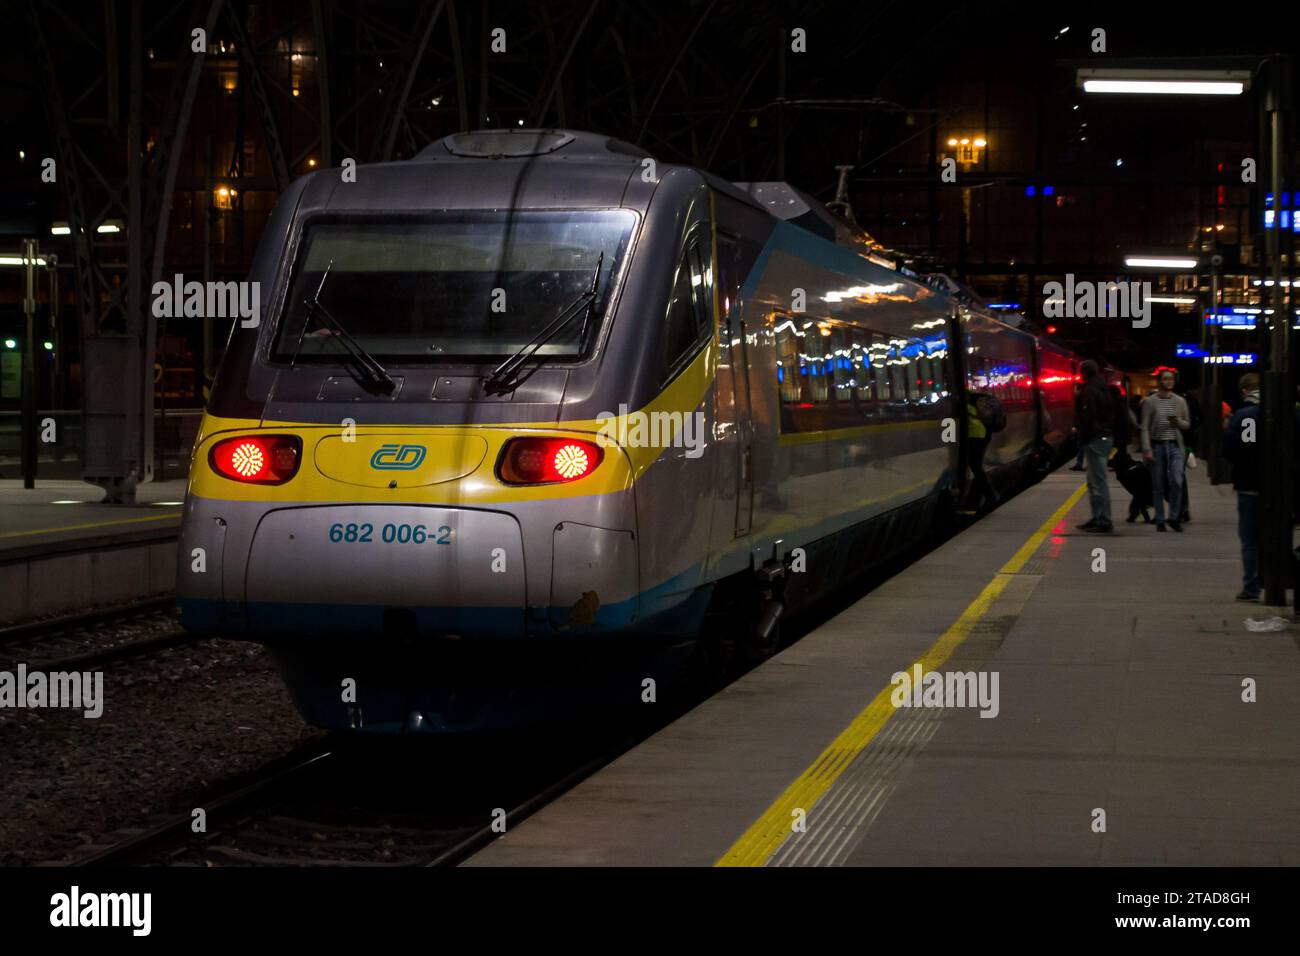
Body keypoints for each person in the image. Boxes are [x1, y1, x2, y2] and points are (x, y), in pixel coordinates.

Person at [1222, 373, 1261, 601]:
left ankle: (1251, 587)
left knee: (1249, 538)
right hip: (1279, 487)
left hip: (1249, 483)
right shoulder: (1281, 409)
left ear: (1244, 391)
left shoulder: (1247, 416)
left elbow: (1239, 449)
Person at [1139, 368, 1191, 532]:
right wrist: (1146, 448)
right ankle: (1160, 519)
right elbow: (1144, 427)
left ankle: (1174, 516)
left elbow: (1187, 424)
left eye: (1172, 379)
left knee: (1177, 480)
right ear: (1160, 381)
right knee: (1158, 484)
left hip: (1175, 445)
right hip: (1157, 445)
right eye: (1166, 379)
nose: (1169, 382)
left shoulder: (1180, 401)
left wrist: (1177, 422)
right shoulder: (1150, 402)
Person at [1075, 360, 1116, 533]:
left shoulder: (1090, 390)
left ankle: (1104, 519)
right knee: (1094, 481)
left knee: (1098, 482)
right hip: (1105, 437)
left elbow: (1088, 416)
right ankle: (1098, 517)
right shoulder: (1104, 388)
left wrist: (1085, 437)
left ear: (1084, 373)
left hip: (1095, 439)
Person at [960, 393, 999, 514]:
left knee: (975, 466)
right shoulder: (972, 395)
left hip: (975, 435)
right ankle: (973, 501)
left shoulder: (959, 396)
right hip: (982, 433)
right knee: (976, 466)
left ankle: (990, 495)